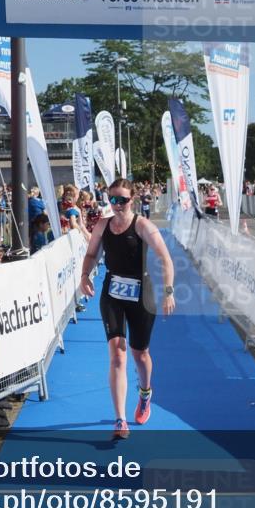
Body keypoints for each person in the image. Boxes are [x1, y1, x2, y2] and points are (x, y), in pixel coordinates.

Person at [79, 179, 175, 440]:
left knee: (140, 354)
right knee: (118, 355)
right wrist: (85, 275)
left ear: (132, 199)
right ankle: (120, 419)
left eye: (122, 200)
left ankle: (145, 393)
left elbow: (165, 259)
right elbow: (91, 254)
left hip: (142, 295)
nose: (117, 204)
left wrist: (168, 291)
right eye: (113, 199)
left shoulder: (143, 226)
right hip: (113, 293)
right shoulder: (103, 225)